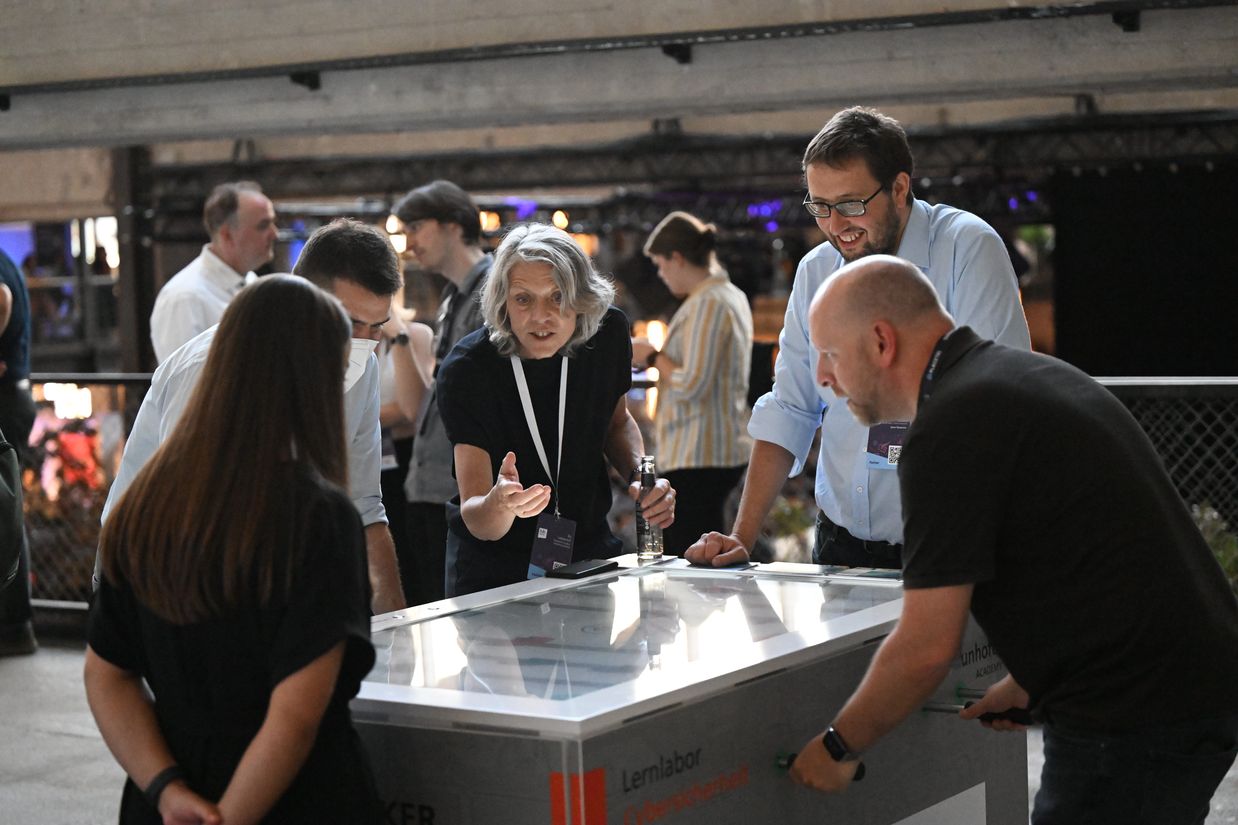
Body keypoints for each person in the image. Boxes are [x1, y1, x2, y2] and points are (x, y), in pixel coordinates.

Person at [710, 255, 1238, 824]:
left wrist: (838, 746)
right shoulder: (1015, 377)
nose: (823, 378)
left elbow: (926, 647)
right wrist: (1035, 678)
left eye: (830, 355)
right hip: (1185, 685)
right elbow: (1095, 559)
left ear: (882, 342)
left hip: (1136, 712)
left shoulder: (951, 427)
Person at [85, 274, 381, 825]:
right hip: (294, 797)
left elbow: (107, 674)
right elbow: (293, 719)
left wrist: (167, 789)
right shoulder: (317, 518)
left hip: (169, 792)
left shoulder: (141, 509)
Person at [687, 106, 1030, 570]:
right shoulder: (816, 270)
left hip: (944, 538)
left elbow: (993, 404)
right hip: (839, 543)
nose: (835, 225)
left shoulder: (968, 248)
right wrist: (741, 538)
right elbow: (791, 406)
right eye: (821, 207)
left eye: (851, 204)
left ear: (900, 188)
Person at [101, 219, 406, 614]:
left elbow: (363, 503)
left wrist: (396, 624)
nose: (362, 342)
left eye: (376, 326)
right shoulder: (208, 367)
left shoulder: (363, 369)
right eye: (348, 323)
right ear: (302, 300)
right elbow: (185, 515)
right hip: (156, 575)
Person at [436, 224, 675, 597]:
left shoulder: (607, 334)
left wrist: (641, 479)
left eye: (558, 297)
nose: (541, 317)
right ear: (502, 301)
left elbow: (616, 422)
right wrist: (501, 504)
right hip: (497, 571)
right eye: (523, 299)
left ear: (582, 299)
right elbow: (476, 515)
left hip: (588, 555)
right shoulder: (468, 369)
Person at [393, 180, 493, 605]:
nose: (409, 242)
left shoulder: (493, 289)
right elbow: (425, 406)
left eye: (416, 226)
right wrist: (397, 335)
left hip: (463, 487)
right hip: (432, 483)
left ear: (453, 224)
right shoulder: (453, 297)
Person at [630, 212, 753, 556]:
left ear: (677, 258)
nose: (660, 274)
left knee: (694, 562)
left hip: (701, 453)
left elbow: (693, 384)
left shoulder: (710, 302)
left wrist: (652, 356)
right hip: (706, 450)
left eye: (660, 265)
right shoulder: (725, 296)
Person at [149, 181, 278, 363]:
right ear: (227, 235)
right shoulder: (185, 297)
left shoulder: (250, 281)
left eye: (273, 223)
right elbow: (184, 385)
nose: (275, 233)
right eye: (263, 225)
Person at [376, 304, 434, 605]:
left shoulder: (414, 334)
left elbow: (412, 409)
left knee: (409, 570)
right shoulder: (336, 334)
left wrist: (397, 335)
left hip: (404, 459)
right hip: (359, 458)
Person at [0, 249, 37, 656]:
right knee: (6, 512)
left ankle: (12, 627)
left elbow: (1, 298)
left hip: (4, 400)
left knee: (4, 514)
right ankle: (14, 626)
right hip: (14, 396)